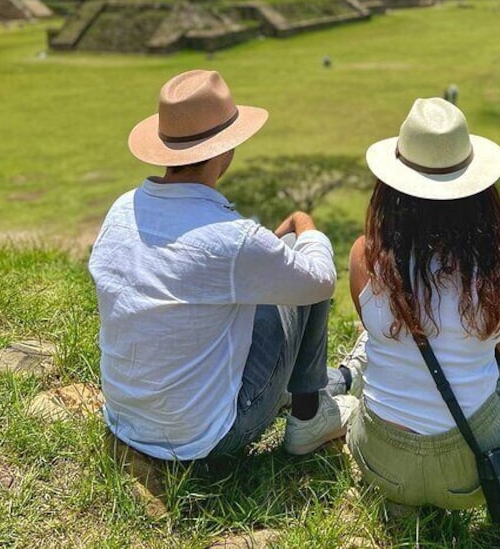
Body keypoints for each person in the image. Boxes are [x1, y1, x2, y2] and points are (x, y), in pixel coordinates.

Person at [89, 70, 358, 467]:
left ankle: (310, 388)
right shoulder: (232, 238)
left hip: (127, 418)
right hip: (204, 437)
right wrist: (304, 223)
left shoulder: (121, 208)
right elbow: (320, 281)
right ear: (225, 148)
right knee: (305, 262)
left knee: (272, 271)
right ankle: (308, 416)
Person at [344, 98, 500, 544]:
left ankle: (402, 493)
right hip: (470, 477)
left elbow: (371, 326)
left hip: (380, 462)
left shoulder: (367, 256)